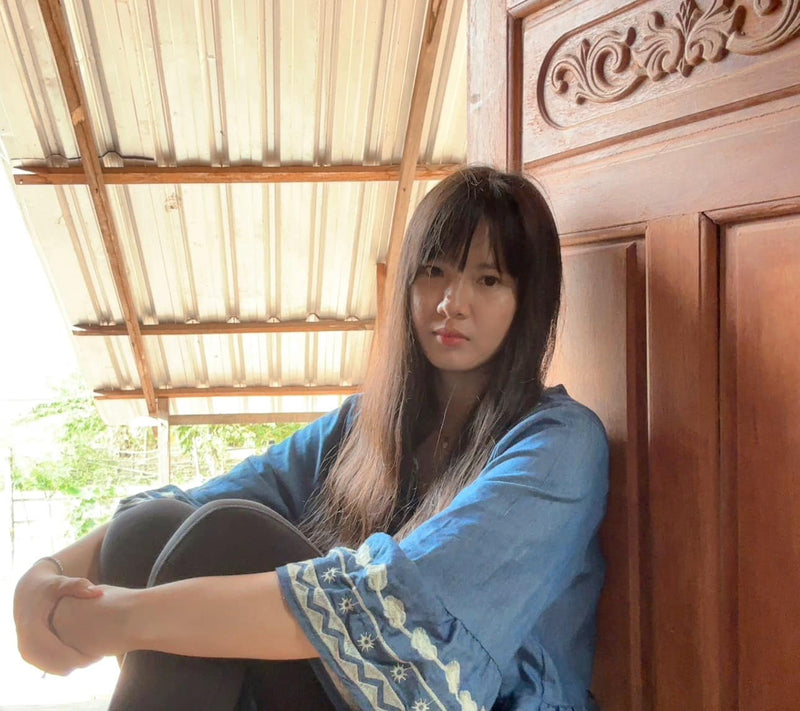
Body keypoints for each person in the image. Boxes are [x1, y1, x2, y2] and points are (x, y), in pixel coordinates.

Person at [13, 166, 609, 710]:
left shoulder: (560, 447)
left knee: (226, 541)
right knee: (149, 532)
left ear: (528, 302)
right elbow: (199, 501)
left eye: (488, 279)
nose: (452, 303)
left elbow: (395, 610)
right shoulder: (365, 426)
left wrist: (121, 620)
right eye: (434, 271)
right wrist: (46, 576)